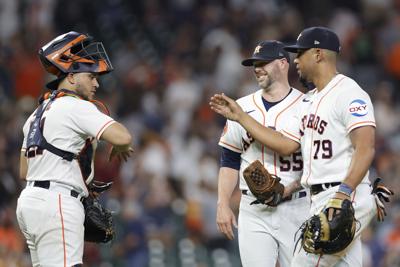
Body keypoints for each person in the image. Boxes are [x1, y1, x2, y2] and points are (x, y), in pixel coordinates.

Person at [210, 27, 377, 267]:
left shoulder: (348, 93)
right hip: (319, 198)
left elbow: (365, 148)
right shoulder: (311, 100)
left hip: (336, 198)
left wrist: (349, 192)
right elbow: (289, 145)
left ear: (318, 54)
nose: (296, 59)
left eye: (300, 54)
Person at [16, 31, 134, 267]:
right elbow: (123, 136)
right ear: (70, 77)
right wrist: (121, 145)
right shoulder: (75, 106)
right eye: (91, 76)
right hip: (57, 202)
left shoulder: (36, 114)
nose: (96, 83)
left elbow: (24, 171)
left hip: (29, 203)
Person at [216, 40, 310, 267]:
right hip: (254, 209)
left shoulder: (307, 105)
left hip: (296, 207)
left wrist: (294, 185)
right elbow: (229, 160)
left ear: (282, 64)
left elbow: (314, 160)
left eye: (263, 62)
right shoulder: (242, 106)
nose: (257, 68)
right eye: (254, 63)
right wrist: (223, 203)